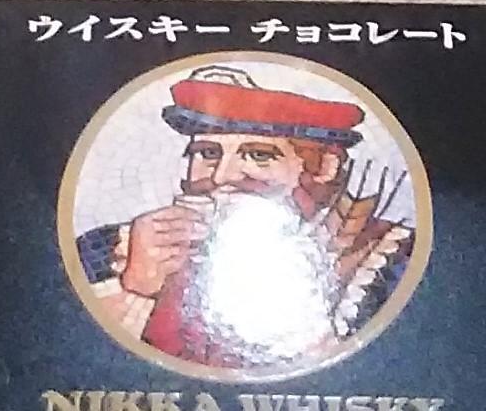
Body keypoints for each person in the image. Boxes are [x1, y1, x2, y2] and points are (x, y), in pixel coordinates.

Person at [74, 67, 416, 373]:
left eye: (258, 155)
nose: (222, 176)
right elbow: (75, 363)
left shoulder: (392, 259)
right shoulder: (106, 250)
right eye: (208, 153)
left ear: (325, 167)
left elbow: (384, 372)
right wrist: (135, 290)